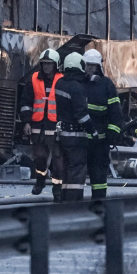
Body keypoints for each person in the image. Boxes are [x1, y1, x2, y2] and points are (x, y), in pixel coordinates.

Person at [19, 48, 63, 198]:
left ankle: (57, 188)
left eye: (50, 64)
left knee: (58, 161)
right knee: (39, 157)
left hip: (56, 127)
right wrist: (26, 122)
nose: (47, 67)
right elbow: (25, 102)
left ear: (56, 65)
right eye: (44, 64)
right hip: (37, 125)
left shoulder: (62, 80)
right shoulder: (33, 79)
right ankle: (40, 180)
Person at [54, 52, 98, 202]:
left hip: (61, 134)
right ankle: (73, 202)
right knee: (77, 169)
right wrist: (93, 131)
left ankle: (64, 198)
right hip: (76, 137)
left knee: (66, 168)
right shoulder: (77, 87)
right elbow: (81, 115)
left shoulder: (60, 83)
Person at [82, 49, 123, 199]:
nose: (90, 68)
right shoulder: (78, 83)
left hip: (100, 138)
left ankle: (99, 200)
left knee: (98, 171)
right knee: (77, 171)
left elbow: (115, 110)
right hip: (79, 137)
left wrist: (113, 131)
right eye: (88, 65)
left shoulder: (106, 84)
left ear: (99, 66)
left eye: (93, 65)